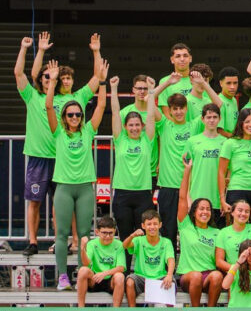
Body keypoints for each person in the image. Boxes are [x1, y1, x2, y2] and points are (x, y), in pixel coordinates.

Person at [16, 33, 97, 256]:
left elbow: (96, 79)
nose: (49, 79)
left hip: (63, 160)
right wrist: (28, 49)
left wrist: (96, 52)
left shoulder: (68, 100)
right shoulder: (32, 96)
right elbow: (19, 73)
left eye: (52, 77)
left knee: (61, 204)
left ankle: (60, 242)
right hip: (38, 158)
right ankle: (33, 242)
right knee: (34, 201)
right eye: (45, 77)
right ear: (40, 79)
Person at [45, 60, 107, 290]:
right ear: (65, 116)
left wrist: (102, 82)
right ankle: (62, 277)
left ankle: (82, 275)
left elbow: (101, 106)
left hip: (84, 188)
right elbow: (49, 106)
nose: (74, 117)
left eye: (78, 114)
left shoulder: (88, 131)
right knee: (61, 234)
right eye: (70, 114)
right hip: (63, 187)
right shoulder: (58, 133)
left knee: (83, 235)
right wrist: (53, 82)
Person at [109, 75, 156, 244]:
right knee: (125, 236)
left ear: (142, 126)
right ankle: (125, 262)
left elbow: (151, 115)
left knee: (143, 238)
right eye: (131, 125)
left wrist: (151, 91)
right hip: (122, 194)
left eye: (137, 125)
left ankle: (141, 263)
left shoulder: (146, 139)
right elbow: (115, 112)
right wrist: (114, 89)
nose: (134, 128)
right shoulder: (120, 139)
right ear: (125, 126)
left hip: (143, 194)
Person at [151, 72, 195, 245]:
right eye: (175, 109)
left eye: (181, 108)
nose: (178, 112)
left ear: (186, 109)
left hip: (189, 188)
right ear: (169, 110)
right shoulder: (164, 125)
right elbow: (150, 98)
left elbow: (218, 106)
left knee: (188, 233)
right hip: (168, 187)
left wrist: (203, 84)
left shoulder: (195, 125)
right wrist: (168, 82)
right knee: (168, 232)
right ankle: (169, 262)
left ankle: (186, 262)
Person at [176, 158, 223, 307]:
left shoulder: (217, 232)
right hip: (189, 275)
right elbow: (182, 197)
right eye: (201, 209)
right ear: (194, 212)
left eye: (208, 209)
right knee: (196, 276)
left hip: (208, 275)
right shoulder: (186, 226)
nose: (205, 212)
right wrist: (187, 170)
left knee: (217, 275)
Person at [219, 108, 251, 221]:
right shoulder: (230, 143)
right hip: (236, 190)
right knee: (235, 229)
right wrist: (222, 198)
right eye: (247, 122)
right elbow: (221, 172)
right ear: (241, 123)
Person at [183, 103, 226, 225]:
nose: (211, 120)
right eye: (208, 117)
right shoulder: (192, 142)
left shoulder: (225, 143)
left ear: (220, 119)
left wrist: (223, 199)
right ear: (202, 119)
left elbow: (227, 172)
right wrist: (188, 198)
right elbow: (187, 171)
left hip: (217, 201)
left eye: (215, 117)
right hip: (196, 199)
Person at [123, 210, 175, 307]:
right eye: (149, 224)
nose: (152, 227)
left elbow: (170, 259)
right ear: (143, 226)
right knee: (130, 281)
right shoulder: (138, 240)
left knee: (171, 282)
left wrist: (169, 275)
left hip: (159, 277)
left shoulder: (166, 242)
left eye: (155, 224)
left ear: (160, 225)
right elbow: (125, 245)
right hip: (141, 277)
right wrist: (132, 235)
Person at [76, 216, 126, 307]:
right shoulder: (92, 244)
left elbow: (121, 268)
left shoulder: (119, 244)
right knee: (83, 270)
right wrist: (82, 249)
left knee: (120, 276)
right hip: (94, 279)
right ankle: (81, 309)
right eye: (104, 233)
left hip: (110, 279)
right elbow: (86, 263)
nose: (107, 236)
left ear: (114, 231)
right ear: (97, 232)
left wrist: (104, 274)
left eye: (110, 233)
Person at [214, 200, 251, 273]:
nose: (243, 214)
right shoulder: (223, 232)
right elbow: (219, 262)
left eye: (247, 211)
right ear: (232, 212)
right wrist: (238, 270)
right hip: (234, 273)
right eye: (240, 210)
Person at [157, 43, 194, 112]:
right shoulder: (165, 82)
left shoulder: (199, 80)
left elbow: (207, 107)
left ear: (190, 58)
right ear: (172, 60)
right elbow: (166, 112)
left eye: (185, 56)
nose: (182, 59)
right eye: (178, 56)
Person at [215, 66, 240, 137]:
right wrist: (236, 138)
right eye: (228, 83)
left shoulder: (234, 100)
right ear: (221, 83)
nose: (232, 87)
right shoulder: (219, 102)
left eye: (235, 83)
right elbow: (218, 131)